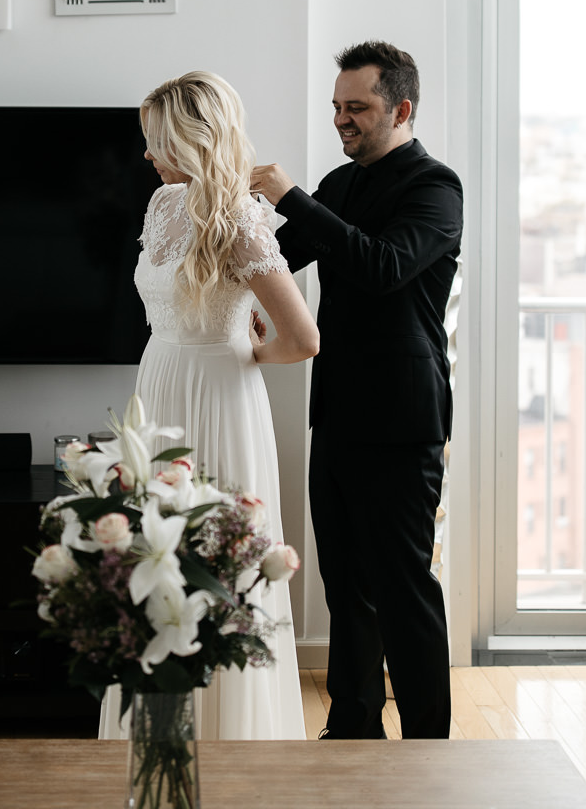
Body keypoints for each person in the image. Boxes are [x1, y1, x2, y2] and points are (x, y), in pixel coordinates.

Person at [96, 70, 319, 741]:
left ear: (188, 139)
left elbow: (303, 338)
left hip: (223, 396)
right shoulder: (163, 204)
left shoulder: (243, 219)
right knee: (157, 560)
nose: (145, 153)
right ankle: (158, 738)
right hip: (160, 385)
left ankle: (233, 742)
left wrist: (249, 352)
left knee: (220, 562)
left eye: (154, 139)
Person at [252, 41, 462, 741]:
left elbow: (380, 267)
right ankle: (352, 732)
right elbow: (280, 259)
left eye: (358, 108)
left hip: (403, 421)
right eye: (337, 106)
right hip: (337, 413)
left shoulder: (436, 187)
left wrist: (290, 196)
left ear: (401, 108)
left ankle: (430, 744)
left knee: (404, 592)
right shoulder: (339, 187)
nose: (342, 119)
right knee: (346, 589)